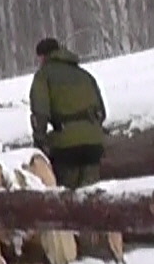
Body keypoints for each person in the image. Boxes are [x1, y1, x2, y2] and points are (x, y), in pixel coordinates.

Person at [29, 37, 108, 189]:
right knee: (91, 196)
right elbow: (101, 113)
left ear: (43, 56)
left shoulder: (43, 76)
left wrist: (39, 143)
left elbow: (40, 112)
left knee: (67, 201)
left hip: (66, 149)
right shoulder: (85, 75)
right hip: (94, 145)